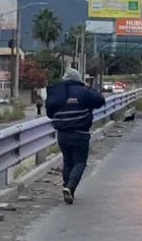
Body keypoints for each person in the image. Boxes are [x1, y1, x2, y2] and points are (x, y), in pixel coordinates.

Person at [44, 68, 105, 204]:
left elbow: (49, 113)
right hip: (80, 133)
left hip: (62, 134)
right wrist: (90, 89)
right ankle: (70, 187)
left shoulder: (57, 92)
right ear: (78, 79)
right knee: (80, 162)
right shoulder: (84, 91)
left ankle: (67, 187)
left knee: (67, 161)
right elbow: (100, 101)